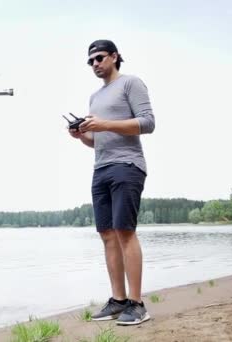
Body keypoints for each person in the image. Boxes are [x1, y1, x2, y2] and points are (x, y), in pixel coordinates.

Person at [69, 39, 155, 325]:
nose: (95, 64)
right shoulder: (94, 98)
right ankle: (118, 301)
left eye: (100, 58)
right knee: (107, 234)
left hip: (127, 166)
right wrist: (82, 135)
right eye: (90, 61)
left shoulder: (131, 83)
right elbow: (98, 142)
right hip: (101, 168)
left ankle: (138, 303)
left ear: (115, 57)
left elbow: (147, 123)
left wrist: (104, 124)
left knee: (124, 231)